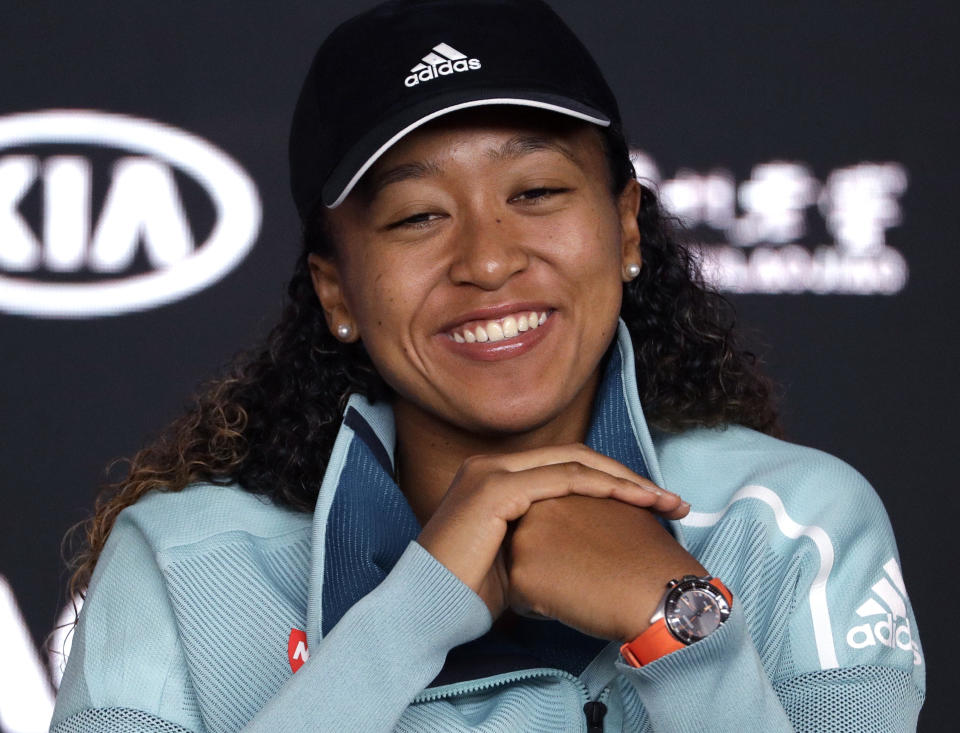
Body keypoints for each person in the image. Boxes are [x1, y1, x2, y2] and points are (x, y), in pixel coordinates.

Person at [50, 0, 925, 731]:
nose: (489, 259)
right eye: (417, 217)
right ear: (337, 291)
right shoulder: (185, 563)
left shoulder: (789, 524)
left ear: (626, 228)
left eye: (536, 193)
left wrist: (680, 627)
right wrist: (410, 613)